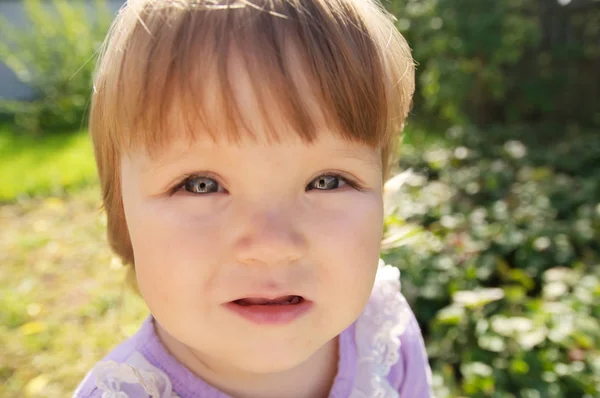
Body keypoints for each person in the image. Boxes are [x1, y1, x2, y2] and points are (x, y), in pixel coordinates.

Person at [73, 0, 434, 396]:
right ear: (123, 216)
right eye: (200, 185)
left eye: (328, 181)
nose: (271, 246)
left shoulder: (383, 340)